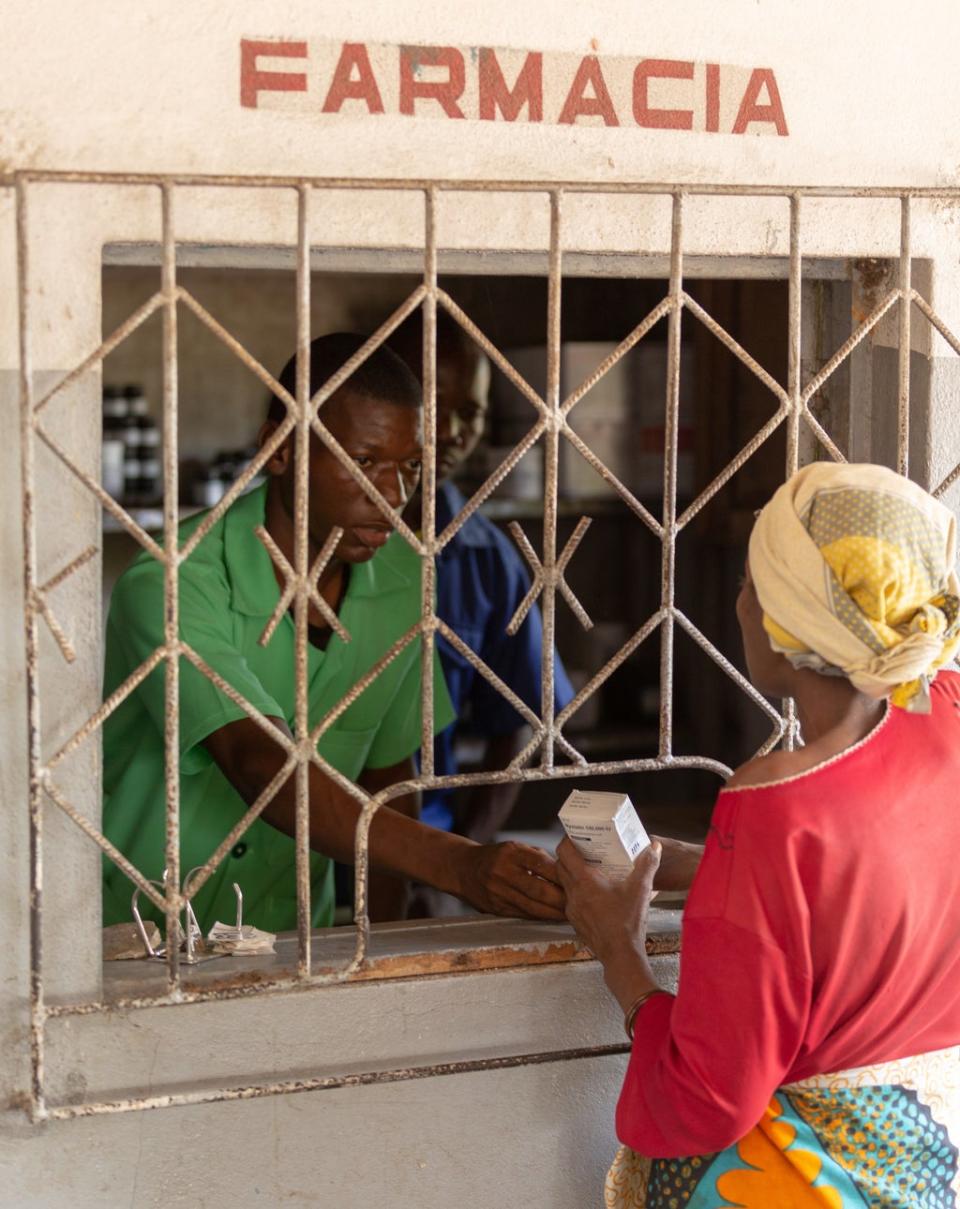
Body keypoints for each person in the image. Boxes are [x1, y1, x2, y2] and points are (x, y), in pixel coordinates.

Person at [558, 462, 960, 1206]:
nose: (738, 600)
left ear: (782, 622)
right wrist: (721, 867)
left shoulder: (777, 804)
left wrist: (619, 950)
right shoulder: (950, 714)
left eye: (750, 582)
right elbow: (883, 862)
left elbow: (712, 1096)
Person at [101, 333, 565, 935]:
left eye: (412, 468)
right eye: (363, 463)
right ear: (280, 449)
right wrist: (459, 865)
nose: (392, 497)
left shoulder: (402, 583)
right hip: (140, 935)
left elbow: (389, 780)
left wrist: (384, 949)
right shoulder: (173, 580)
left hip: (293, 936)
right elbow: (257, 761)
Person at [387, 308, 575, 844]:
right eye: (429, 405)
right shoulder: (301, 540)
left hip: (421, 841)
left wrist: (461, 860)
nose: (447, 432)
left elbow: (525, 716)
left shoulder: (486, 558)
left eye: (468, 411)